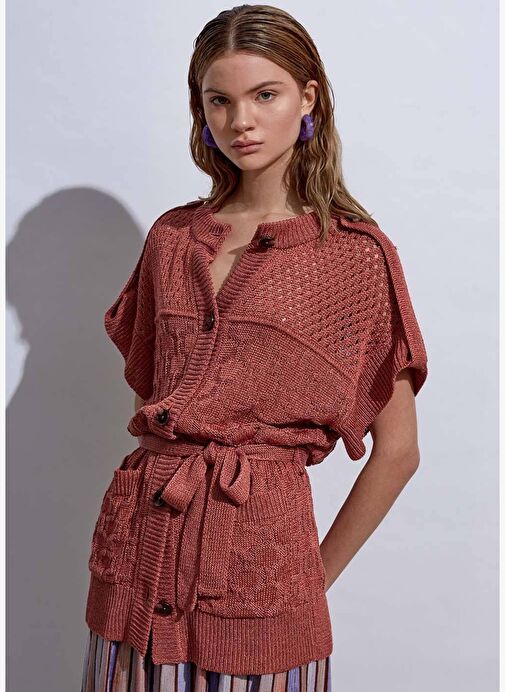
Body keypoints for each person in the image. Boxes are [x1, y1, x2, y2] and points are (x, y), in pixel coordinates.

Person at [81, 4, 429, 691]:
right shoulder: (172, 239)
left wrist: (307, 579)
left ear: (308, 97)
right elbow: (150, 403)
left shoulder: (353, 257)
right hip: (135, 565)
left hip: (258, 582)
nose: (240, 120)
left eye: (264, 95)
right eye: (219, 100)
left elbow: (398, 450)